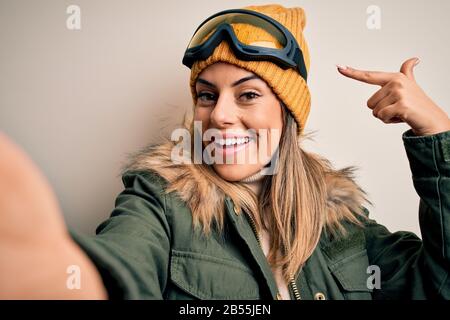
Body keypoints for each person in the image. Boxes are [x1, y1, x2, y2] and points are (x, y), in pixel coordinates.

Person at [0, 4, 449, 300]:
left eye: (248, 95)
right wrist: (59, 273)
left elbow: (438, 284)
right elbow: (122, 267)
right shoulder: (160, 201)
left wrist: (438, 135)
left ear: (287, 112)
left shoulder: (341, 220)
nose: (219, 117)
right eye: (207, 95)